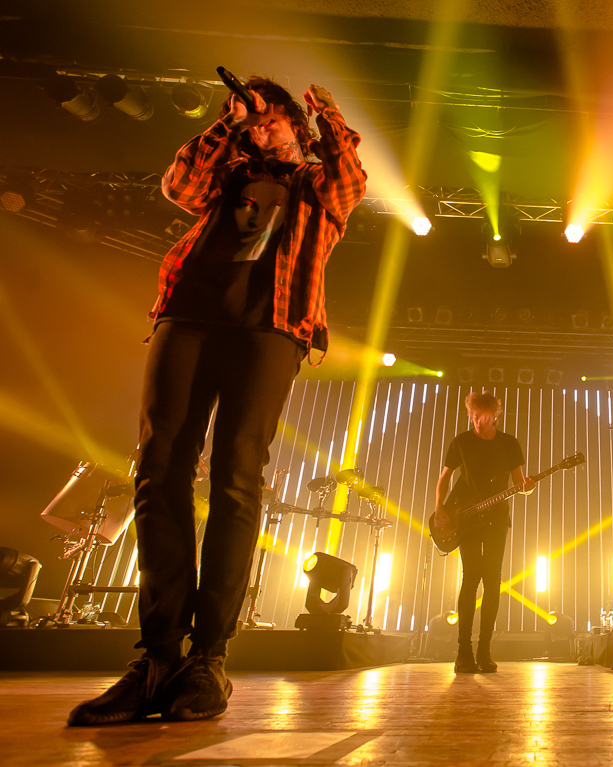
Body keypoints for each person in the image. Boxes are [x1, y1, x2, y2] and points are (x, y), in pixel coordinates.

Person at [68, 76, 366, 726]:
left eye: (270, 119)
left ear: (294, 125)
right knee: (158, 470)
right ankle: (156, 658)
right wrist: (229, 122)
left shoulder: (316, 186)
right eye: (252, 121)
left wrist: (326, 117)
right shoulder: (229, 172)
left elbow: (350, 180)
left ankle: (208, 658)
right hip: (187, 316)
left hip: (272, 327)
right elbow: (178, 186)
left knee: (237, 477)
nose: (260, 128)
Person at [434, 391, 535, 674]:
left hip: (496, 519)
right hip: (464, 518)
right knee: (470, 578)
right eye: (474, 415)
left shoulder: (509, 443)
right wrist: (439, 507)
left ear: (495, 415)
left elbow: (519, 484)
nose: (477, 421)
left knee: (492, 581)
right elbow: (444, 478)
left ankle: (484, 651)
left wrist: (528, 487)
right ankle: (463, 652)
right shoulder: (461, 441)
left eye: (483, 416)